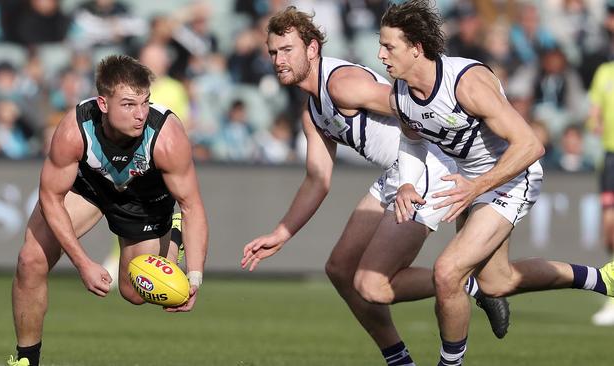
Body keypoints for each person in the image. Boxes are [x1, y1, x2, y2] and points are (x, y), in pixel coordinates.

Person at [240, 7, 509, 366]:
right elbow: (318, 180)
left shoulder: (342, 84)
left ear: (312, 49)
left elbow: (412, 105)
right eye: (273, 52)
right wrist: (281, 234)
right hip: (397, 174)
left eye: (287, 50)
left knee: (372, 285)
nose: (278, 60)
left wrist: (459, 159)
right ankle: (399, 358)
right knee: (339, 270)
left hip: (422, 169)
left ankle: (465, 283)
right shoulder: (312, 109)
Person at [380, 1, 614, 365]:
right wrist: (408, 184)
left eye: (389, 46)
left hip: (512, 176)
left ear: (416, 48)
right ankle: (602, 280)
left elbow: (531, 145)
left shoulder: (466, 85)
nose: (380, 55)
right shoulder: (401, 94)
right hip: (473, 181)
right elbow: (412, 139)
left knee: (447, 272)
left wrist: (476, 188)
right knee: (495, 282)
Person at [7, 55, 208, 366]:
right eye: (128, 105)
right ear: (103, 103)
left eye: (145, 103)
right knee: (30, 259)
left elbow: (192, 205)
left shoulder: (166, 136)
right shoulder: (75, 129)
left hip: (143, 200)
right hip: (89, 189)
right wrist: (82, 262)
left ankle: (173, 235)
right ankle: (25, 360)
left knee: (133, 292)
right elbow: (50, 197)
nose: (140, 114)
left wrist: (194, 277)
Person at [588, 60, 614, 326]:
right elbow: (594, 110)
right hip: (611, 159)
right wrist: (594, 120)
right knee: (610, 229)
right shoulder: (604, 71)